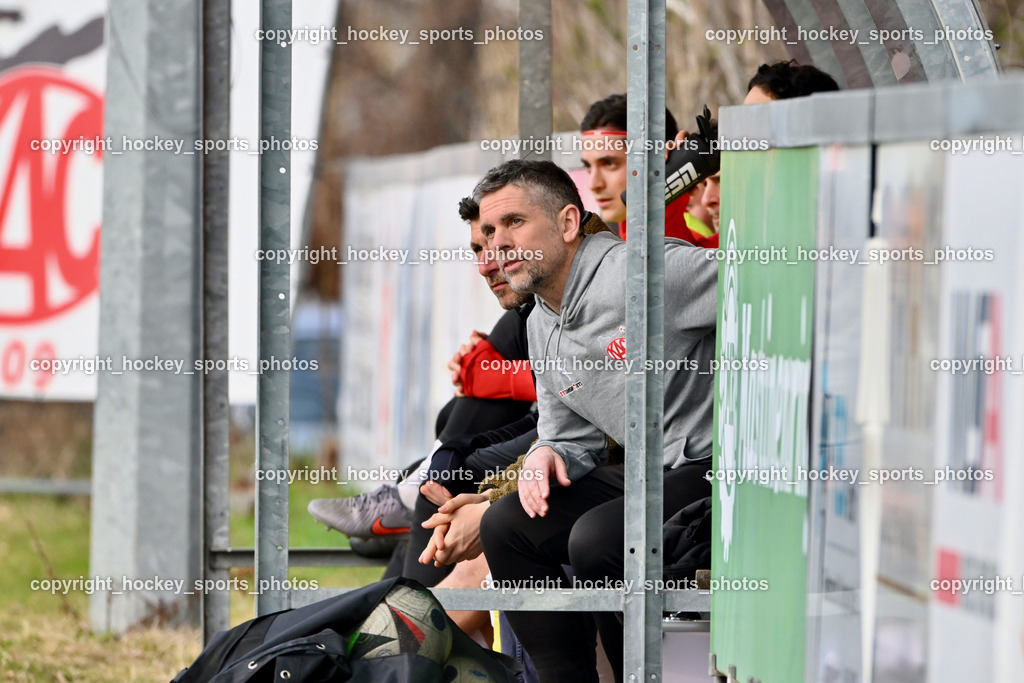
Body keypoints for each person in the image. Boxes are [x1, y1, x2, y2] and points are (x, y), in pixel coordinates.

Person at [473, 159, 717, 682]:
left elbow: (768, 281)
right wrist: (545, 453)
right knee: (507, 525)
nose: (498, 245)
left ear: (566, 224)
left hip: (718, 467)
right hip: (652, 476)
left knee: (597, 540)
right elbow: (570, 437)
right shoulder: (540, 321)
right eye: (490, 231)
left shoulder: (644, 272)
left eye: (515, 222)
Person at [579, 94, 715, 246]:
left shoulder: (705, 250)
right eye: (588, 166)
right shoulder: (620, 247)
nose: (594, 184)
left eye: (609, 163)